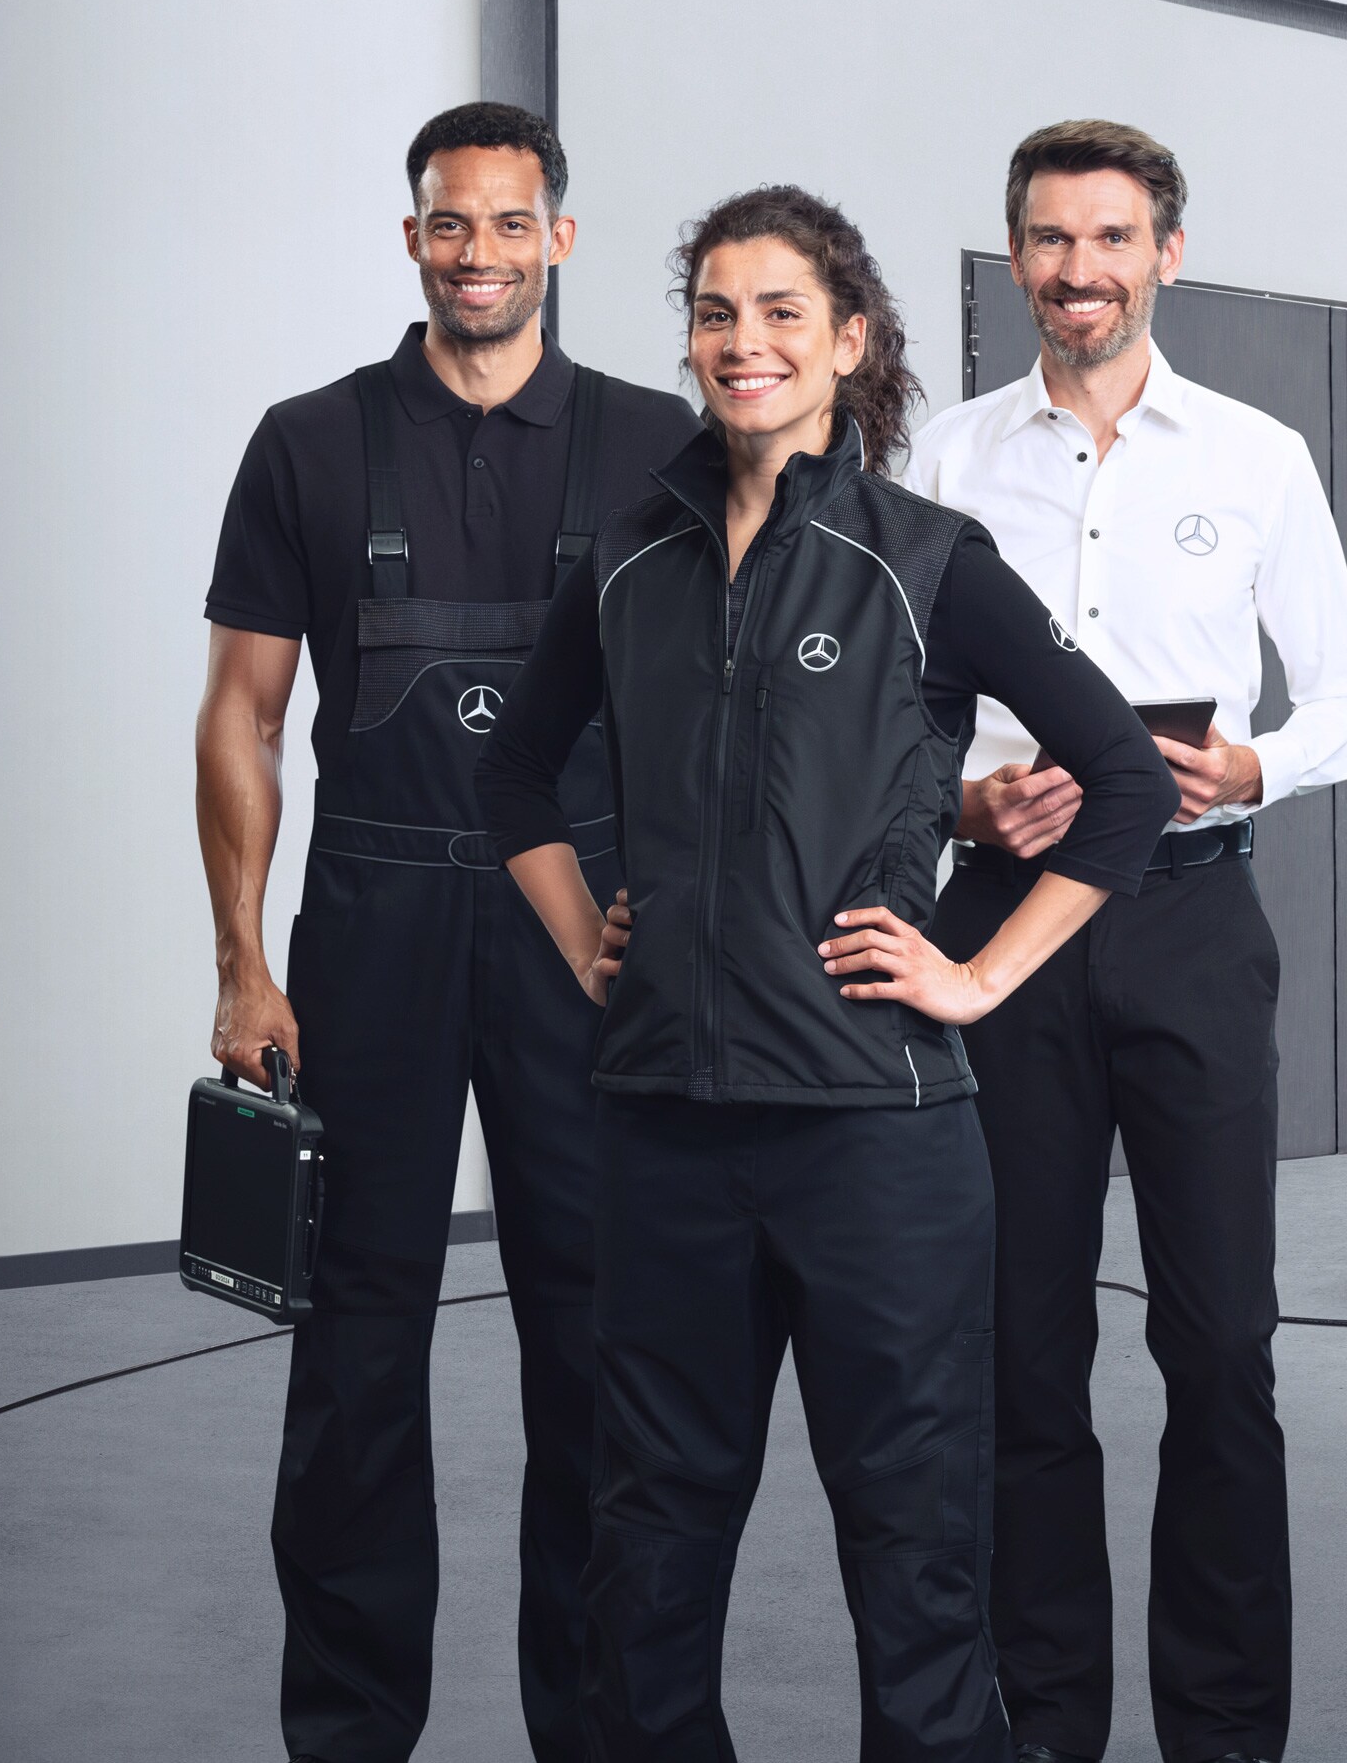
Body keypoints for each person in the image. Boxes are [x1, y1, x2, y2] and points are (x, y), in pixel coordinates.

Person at [476, 185, 1179, 1761]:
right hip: (660, 1128)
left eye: (782, 312)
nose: (744, 343)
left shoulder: (924, 561)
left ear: (848, 340)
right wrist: (586, 930)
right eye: (717, 313)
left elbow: (1122, 783)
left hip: (875, 1136)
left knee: (916, 1557)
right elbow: (515, 783)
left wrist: (980, 977)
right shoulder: (628, 557)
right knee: (644, 1556)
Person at [193, 101, 703, 1763]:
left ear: (560, 237)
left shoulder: (657, 447)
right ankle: (346, 1731)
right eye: (448, 222)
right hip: (376, 930)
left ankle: (604, 1729)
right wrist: (243, 964)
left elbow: (730, 709)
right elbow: (241, 719)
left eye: (509, 222)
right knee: (351, 1350)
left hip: (588, 933)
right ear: (412, 237)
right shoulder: (309, 443)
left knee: (601, 1341)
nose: (477, 250)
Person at [906, 120, 1347, 1763]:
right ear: (1015, 256)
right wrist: (967, 814)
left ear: (1167, 252)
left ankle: (1226, 1735)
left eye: (1109, 239)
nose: (1078, 271)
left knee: (1221, 1353)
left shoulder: (1254, 458)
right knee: (1020, 1343)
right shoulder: (947, 465)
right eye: (1047, 240)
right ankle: (1048, 1725)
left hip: (1189, 917)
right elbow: (893, 727)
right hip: (1001, 933)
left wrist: (1255, 763)